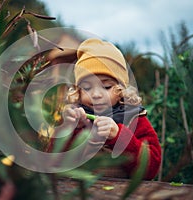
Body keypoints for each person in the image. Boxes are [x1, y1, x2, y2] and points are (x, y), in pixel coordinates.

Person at [47, 38, 161, 180]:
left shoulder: (133, 118)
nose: (96, 94)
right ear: (78, 91)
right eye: (87, 88)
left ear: (121, 89)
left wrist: (119, 136)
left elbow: (151, 168)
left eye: (106, 87)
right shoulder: (75, 116)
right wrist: (70, 129)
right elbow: (54, 163)